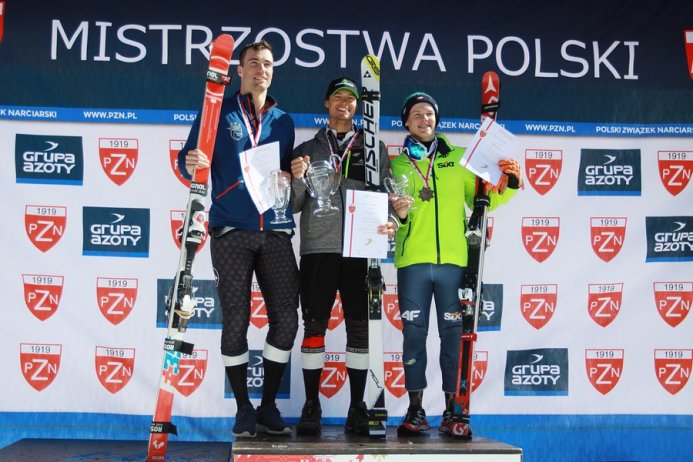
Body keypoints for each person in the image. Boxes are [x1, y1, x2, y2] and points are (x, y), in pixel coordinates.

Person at [178, 40, 298, 438]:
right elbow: (187, 159)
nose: (260, 69)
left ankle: (266, 406)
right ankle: (243, 408)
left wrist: (291, 172)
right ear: (240, 70)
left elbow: (281, 175)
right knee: (236, 322)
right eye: (253, 63)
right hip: (230, 230)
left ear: (272, 72)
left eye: (267, 64)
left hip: (275, 231)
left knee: (286, 320)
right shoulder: (219, 109)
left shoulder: (284, 120)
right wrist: (190, 161)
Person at [389, 92, 521, 435]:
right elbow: (389, 216)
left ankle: (453, 411)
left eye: (429, 113)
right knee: (413, 337)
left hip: (454, 262)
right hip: (413, 262)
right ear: (406, 122)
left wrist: (511, 181)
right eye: (416, 114)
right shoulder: (397, 164)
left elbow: (485, 198)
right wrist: (398, 215)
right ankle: (416, 411)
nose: (424, 119)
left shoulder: (461, 160)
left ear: (437, 120)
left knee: (453, 337)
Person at [290, 77, 395, 436]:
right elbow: (293, 205)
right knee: (314, 325)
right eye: (338, 97)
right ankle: (311, 404)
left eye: (351, 98)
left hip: (360, 249)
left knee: (360, 330)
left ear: (357, 106)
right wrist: (298, 179)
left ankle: (356, 406)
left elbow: (388, 197)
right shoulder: (306, 148)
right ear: (326, 103)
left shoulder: (373, 148)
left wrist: (393, 221)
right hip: (318, 248)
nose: (344, 103)